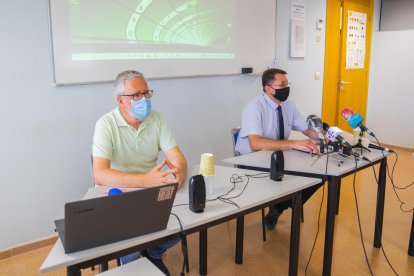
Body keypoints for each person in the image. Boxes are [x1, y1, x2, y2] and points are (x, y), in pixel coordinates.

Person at [92, 70, 187, 275]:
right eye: (136, 95)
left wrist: (178, 173)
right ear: (120, 100)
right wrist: (145, 180)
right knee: (132, 242)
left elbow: (177, 157)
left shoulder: (157, 118)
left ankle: (153, 253)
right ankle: (132, 261)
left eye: (146, 93)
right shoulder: (105, 124)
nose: (143, 99)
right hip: (120, 192)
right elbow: (100, 174)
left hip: (154, 188)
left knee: (183, 225)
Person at [235, 68, 322, 230]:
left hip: (279, 156)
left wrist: (326, 135)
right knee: (292, 176)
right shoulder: (254, 107)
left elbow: (309, 131)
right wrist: (294, 144)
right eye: (282, 85)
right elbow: (255, 144)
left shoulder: (289, 106)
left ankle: (278, 207)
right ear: (268, 88)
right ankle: (279, 205)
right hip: (253, 160)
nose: (286, 89)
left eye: (287, 84)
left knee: (320, 174)